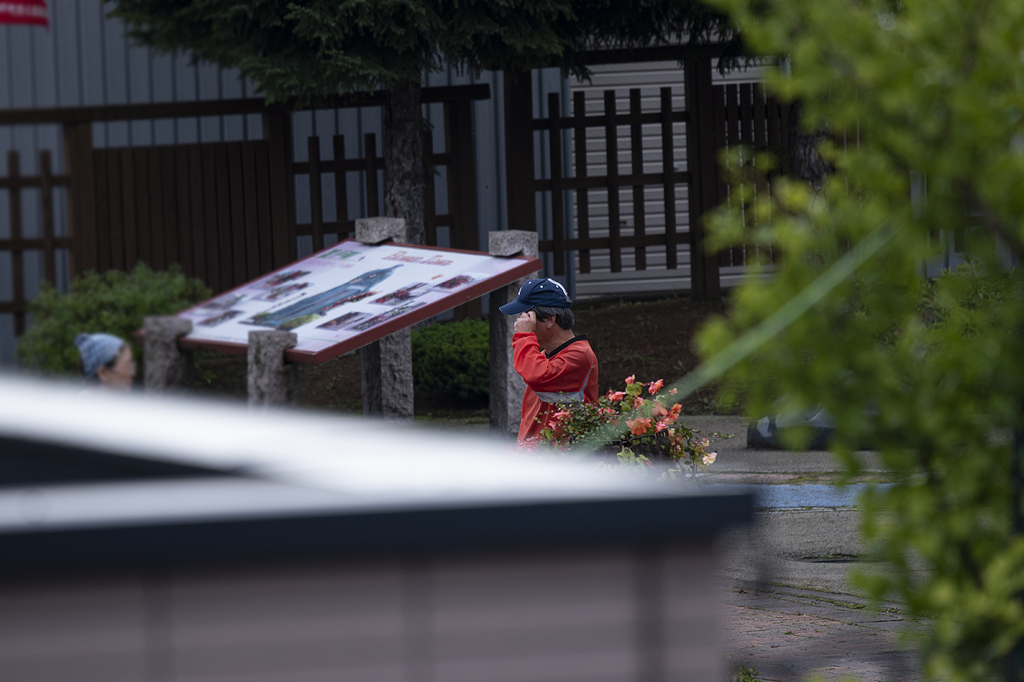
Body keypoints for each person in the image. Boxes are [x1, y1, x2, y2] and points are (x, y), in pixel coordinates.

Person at [499, 278, 599, 444]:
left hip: (560, 463)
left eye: (526, 316)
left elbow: (536, 376)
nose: (519, 323)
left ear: (550, 319)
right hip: (536, 460)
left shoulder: (580, 356)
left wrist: (524, 337)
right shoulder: (546, 356)